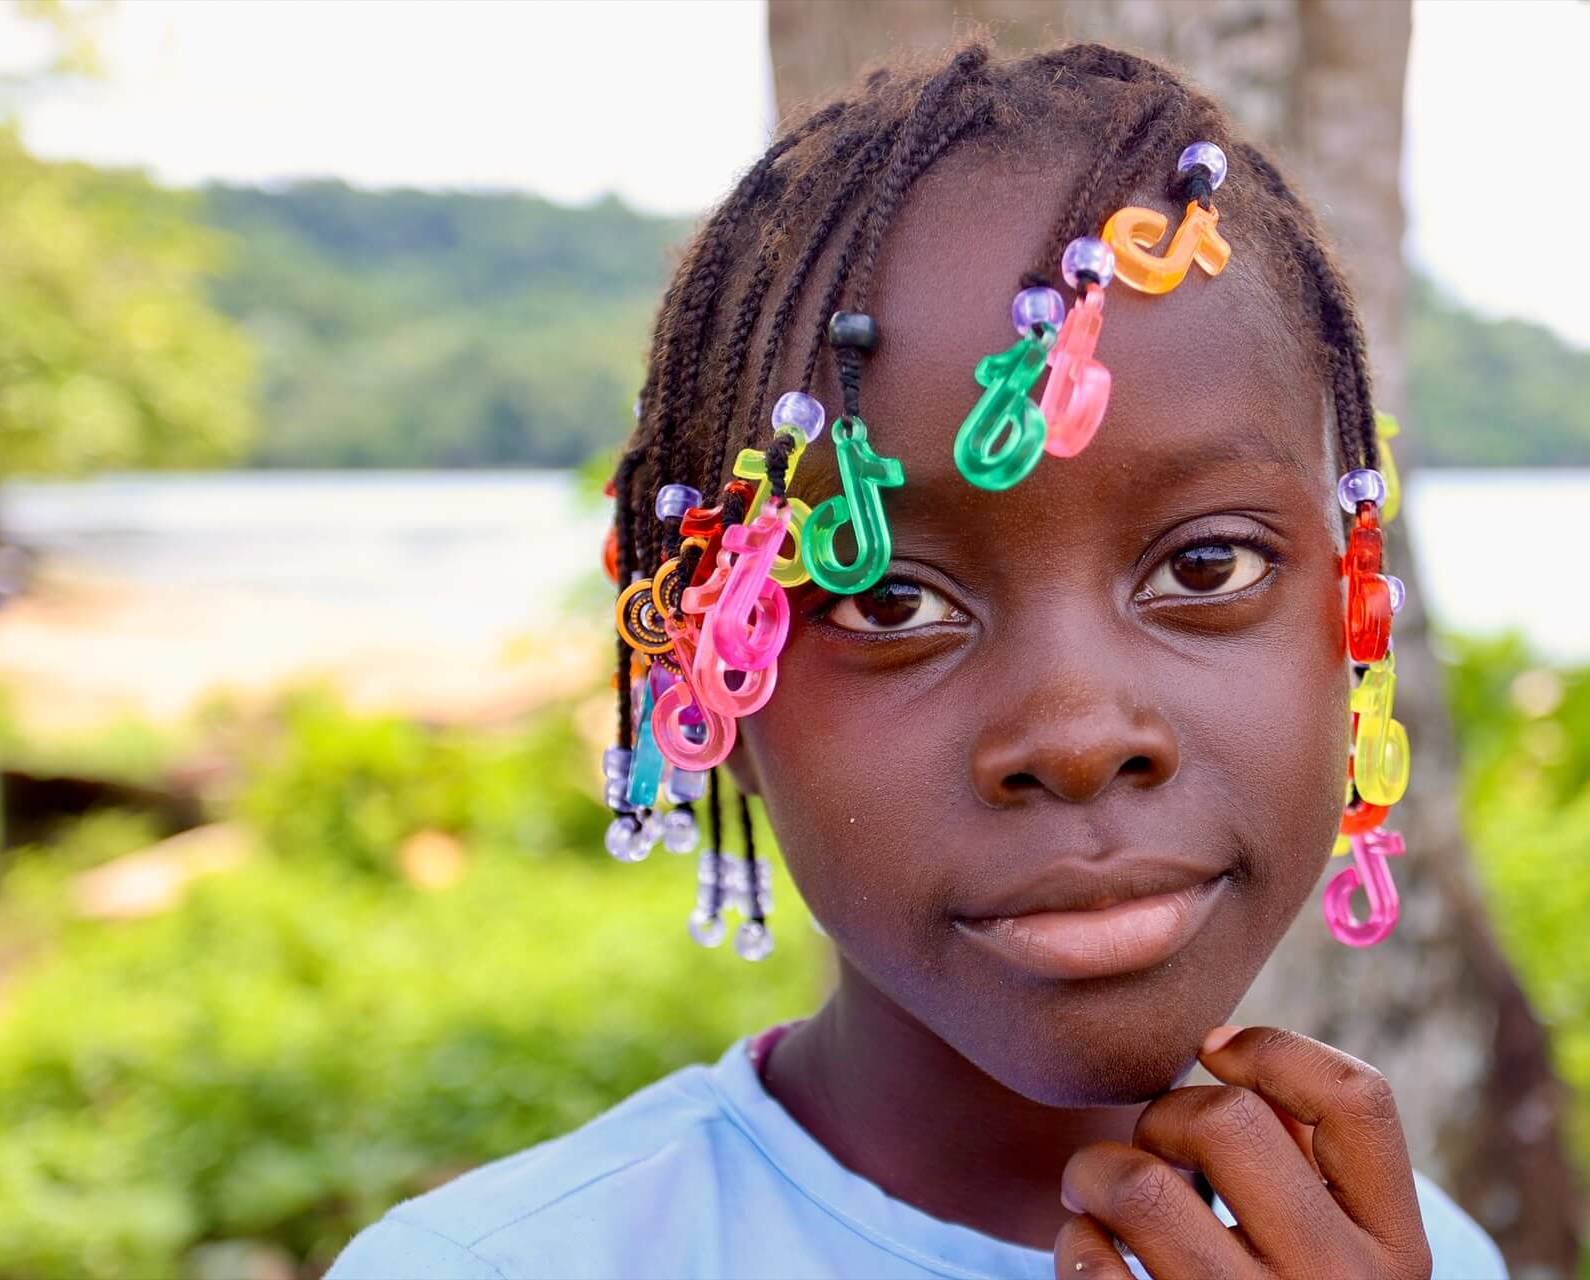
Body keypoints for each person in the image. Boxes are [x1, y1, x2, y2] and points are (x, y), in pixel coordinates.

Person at [328, 41, 1509, 1280]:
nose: (1077, 732)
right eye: (886, 597)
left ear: (1354, 597)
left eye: (1206, 567)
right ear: (705, 660)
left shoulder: (1418, 1255)